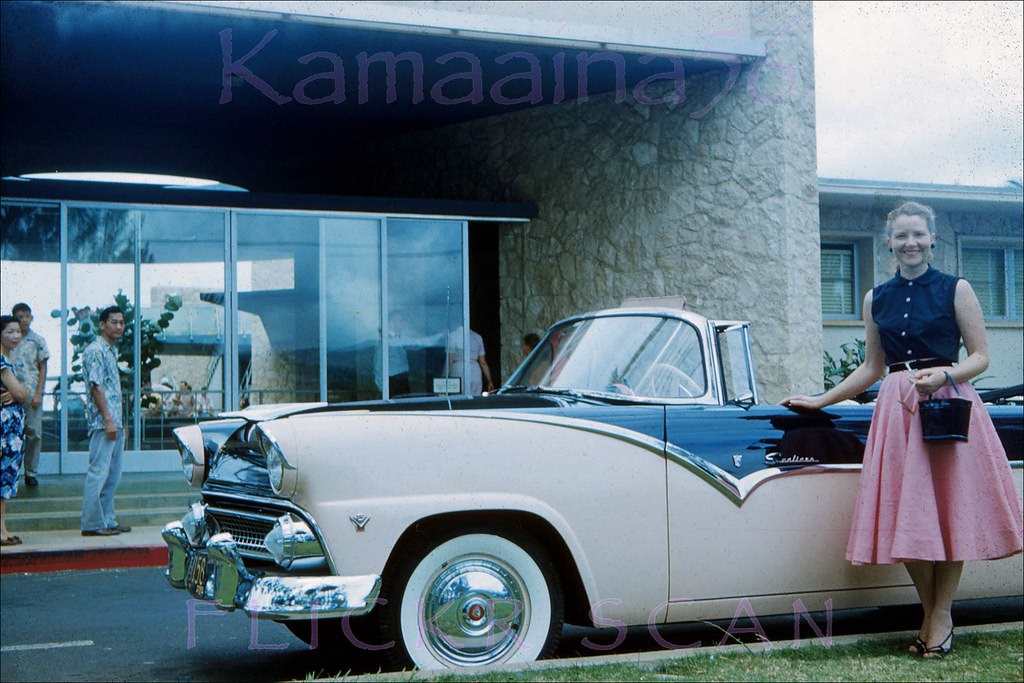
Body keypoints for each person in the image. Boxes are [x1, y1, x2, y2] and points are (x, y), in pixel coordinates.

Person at [782, 201, 1023, 659]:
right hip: (899, 409)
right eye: (901, 235)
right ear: (890, 242)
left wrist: (946, 376)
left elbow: (980, 356)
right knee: (909, 511)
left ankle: (941, 615)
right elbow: (872, 367)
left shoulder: (958, 288)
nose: (910, 242)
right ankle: (932, 612)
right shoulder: (877, 298)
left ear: (933, 239)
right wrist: (821, 399)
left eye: (918, 234)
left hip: (949, 405)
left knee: (950, 509)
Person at [80, 306, 131, 537]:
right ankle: (92, 523)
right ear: (102, 324)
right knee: (98, 472)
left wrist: (120, 423)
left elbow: (112, 390)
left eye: (121, 322)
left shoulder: (111, 350)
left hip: (114, 422)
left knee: (113, 474)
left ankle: (107, 519)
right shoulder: (95, 350)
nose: (118, 326)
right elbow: (96, 386)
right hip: (103, 423)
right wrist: (109, 420)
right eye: (114, 322)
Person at [11, 303, 50, 487]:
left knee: (34, 433)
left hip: (31, 392)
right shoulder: (9, 340)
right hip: (10, 395)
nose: (23, 320)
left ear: (31, 318)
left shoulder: (37, 340)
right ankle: (12, 472)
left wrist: (38, 393)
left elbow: (43, 367)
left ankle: (31, 472)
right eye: (20, 317)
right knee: (12, 435)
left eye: (27, 316)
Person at [1, 315, 29, 545]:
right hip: (4, 432)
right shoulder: (2, 363)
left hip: (11, 431)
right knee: (2, 478)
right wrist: (18, 392)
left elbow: (21, 392)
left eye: (18, 331)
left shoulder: (10, 360)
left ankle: (3, 530)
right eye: (10, 331)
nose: (15, 336)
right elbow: (21, 394)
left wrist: (20, 392)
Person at [448, 327, 494, 395]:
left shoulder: (452, 336)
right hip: (475, 371)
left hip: (458, 369)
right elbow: (483, 362)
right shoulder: (477, 337)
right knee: (474, 399)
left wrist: (442, 378)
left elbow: (450, 361)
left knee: (457, 400)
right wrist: (490, 381)